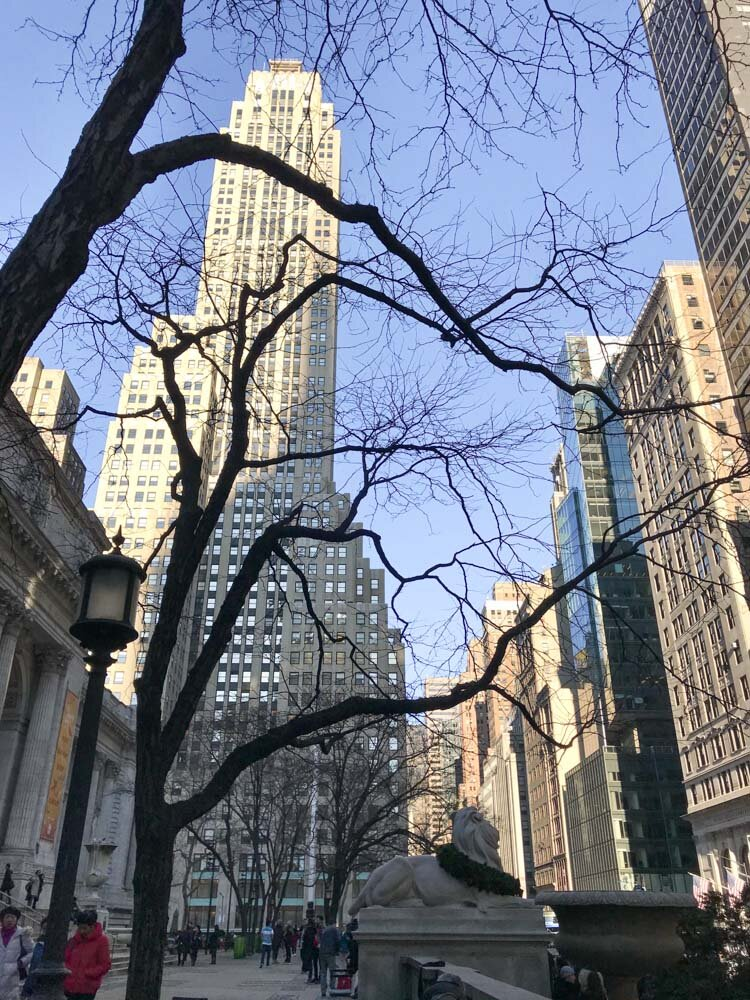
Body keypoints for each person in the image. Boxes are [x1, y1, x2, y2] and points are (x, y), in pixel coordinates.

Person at [63, 909, 111, 1000]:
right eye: (80, 928)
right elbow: (66, 957)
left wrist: (87, 973)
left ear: (92, 926)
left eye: (84, 928)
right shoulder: (74, 940)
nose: (81, 931)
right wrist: (69, 971)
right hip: (69, 984)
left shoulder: (102, 941)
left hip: (87, 987)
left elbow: (105, 965)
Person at [0, 907, 33, 1000]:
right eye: (7, 917)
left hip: (13, 977)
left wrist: (21, 963)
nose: (10, 920)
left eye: (13, 917)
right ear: (2, 919)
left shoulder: (23, 934)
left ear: (17, 920)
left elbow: (32, 952)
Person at [22, 918, 45, 997]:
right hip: (35, 987)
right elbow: (33, 967)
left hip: (48, 987)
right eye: (44, 928)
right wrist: (26, 990)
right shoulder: (38, 945)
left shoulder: (59, 946)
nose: (46, 931)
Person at [318, 918, 341, 999]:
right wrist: (337, 951)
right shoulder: (334, 930)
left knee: (323, 972)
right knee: (332, 972)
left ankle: (323, 991)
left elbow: (320, 940)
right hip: (331, 953)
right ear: (334, 923)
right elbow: (338, 941)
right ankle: (332, 988)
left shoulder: (323, 930)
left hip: (322, 953)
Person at [342, 920, 359, 999]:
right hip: (358, 956)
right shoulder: (358, 934)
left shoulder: (348, 934)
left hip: (352, 957)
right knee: (357, 975)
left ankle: (353, 991)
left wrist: (347, 956)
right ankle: (355, 990)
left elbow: (346, 946)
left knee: (353, 975)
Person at [300, 918, 318, 983]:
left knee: (309, 963)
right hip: (315, 948)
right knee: (315, 963)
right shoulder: (315, 929)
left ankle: (310, 977)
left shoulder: (307, 930)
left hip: (308, 948)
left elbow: (305, 939)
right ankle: (315, 977)